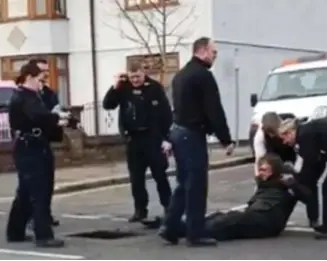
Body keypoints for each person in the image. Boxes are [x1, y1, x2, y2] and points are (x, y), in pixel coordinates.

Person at [159, 37, 235, 247]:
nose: (215, 56)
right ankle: (195, 232)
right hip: (192, 135)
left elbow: (187, 108)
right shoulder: (203, 76)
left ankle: (170, 226)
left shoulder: (180, 75)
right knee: (196, 185)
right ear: (202, 51)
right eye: (213, 52)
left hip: (178, 134)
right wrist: (226, 139)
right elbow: (213, 109)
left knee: (184, 183)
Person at [151, 154, 311, 241]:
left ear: (274, 170)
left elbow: (308, 197)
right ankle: (181, 227)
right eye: (260, 169)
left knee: (230, 221)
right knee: (220, 216)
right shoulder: (265, 182)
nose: (261, 173)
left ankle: (193, 231)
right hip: (255, 214)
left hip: (268, 221)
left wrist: (293, 185)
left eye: (265, 170)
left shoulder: (287, 183)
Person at [6, 62, 71, 247]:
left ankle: (15, 231)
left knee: (26, 192)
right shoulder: (24, 96)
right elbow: (38, 116)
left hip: (35, 145)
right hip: (30, 148)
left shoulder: (31, 96)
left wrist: (59, 122)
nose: (42, 82)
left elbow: (42, 117)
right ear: (29, 77)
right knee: (40, 191)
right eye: (40, 78)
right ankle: (43, 235)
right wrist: (58, 118)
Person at [103, 63, 173, 222]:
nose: (135, 80)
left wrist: (166, 138)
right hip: (133, 139)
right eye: (132, 77)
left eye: (138, 77)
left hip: (153, 138)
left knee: (160, 175)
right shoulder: (123, 88)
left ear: (144, 74)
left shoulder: (154, 88)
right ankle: (140, 210)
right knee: (136, 178)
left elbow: (166, 114)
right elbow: (108, 105)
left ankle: (169, 207)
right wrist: (115, 86)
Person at [253, 112, 323, 227]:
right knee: (275, 188)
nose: (272, 136)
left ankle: (313, 219)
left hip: (293, 158)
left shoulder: (290, 128)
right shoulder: (260, 136)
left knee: (308, 186)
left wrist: (296, 173)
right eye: (269, 133)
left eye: (274, 133)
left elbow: (302, 153)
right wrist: (260, 177)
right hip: (274, 161)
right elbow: (260, 159)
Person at [28, 58, 61, 227]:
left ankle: (44, 214)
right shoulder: (27, 94)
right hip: (30, 144)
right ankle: (32, 217)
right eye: (42, 72)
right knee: (31, 184)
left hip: (45, 141)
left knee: (48, 181)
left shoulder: (49, 93)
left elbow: (54, 111)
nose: (45, 75)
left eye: (47, 72)